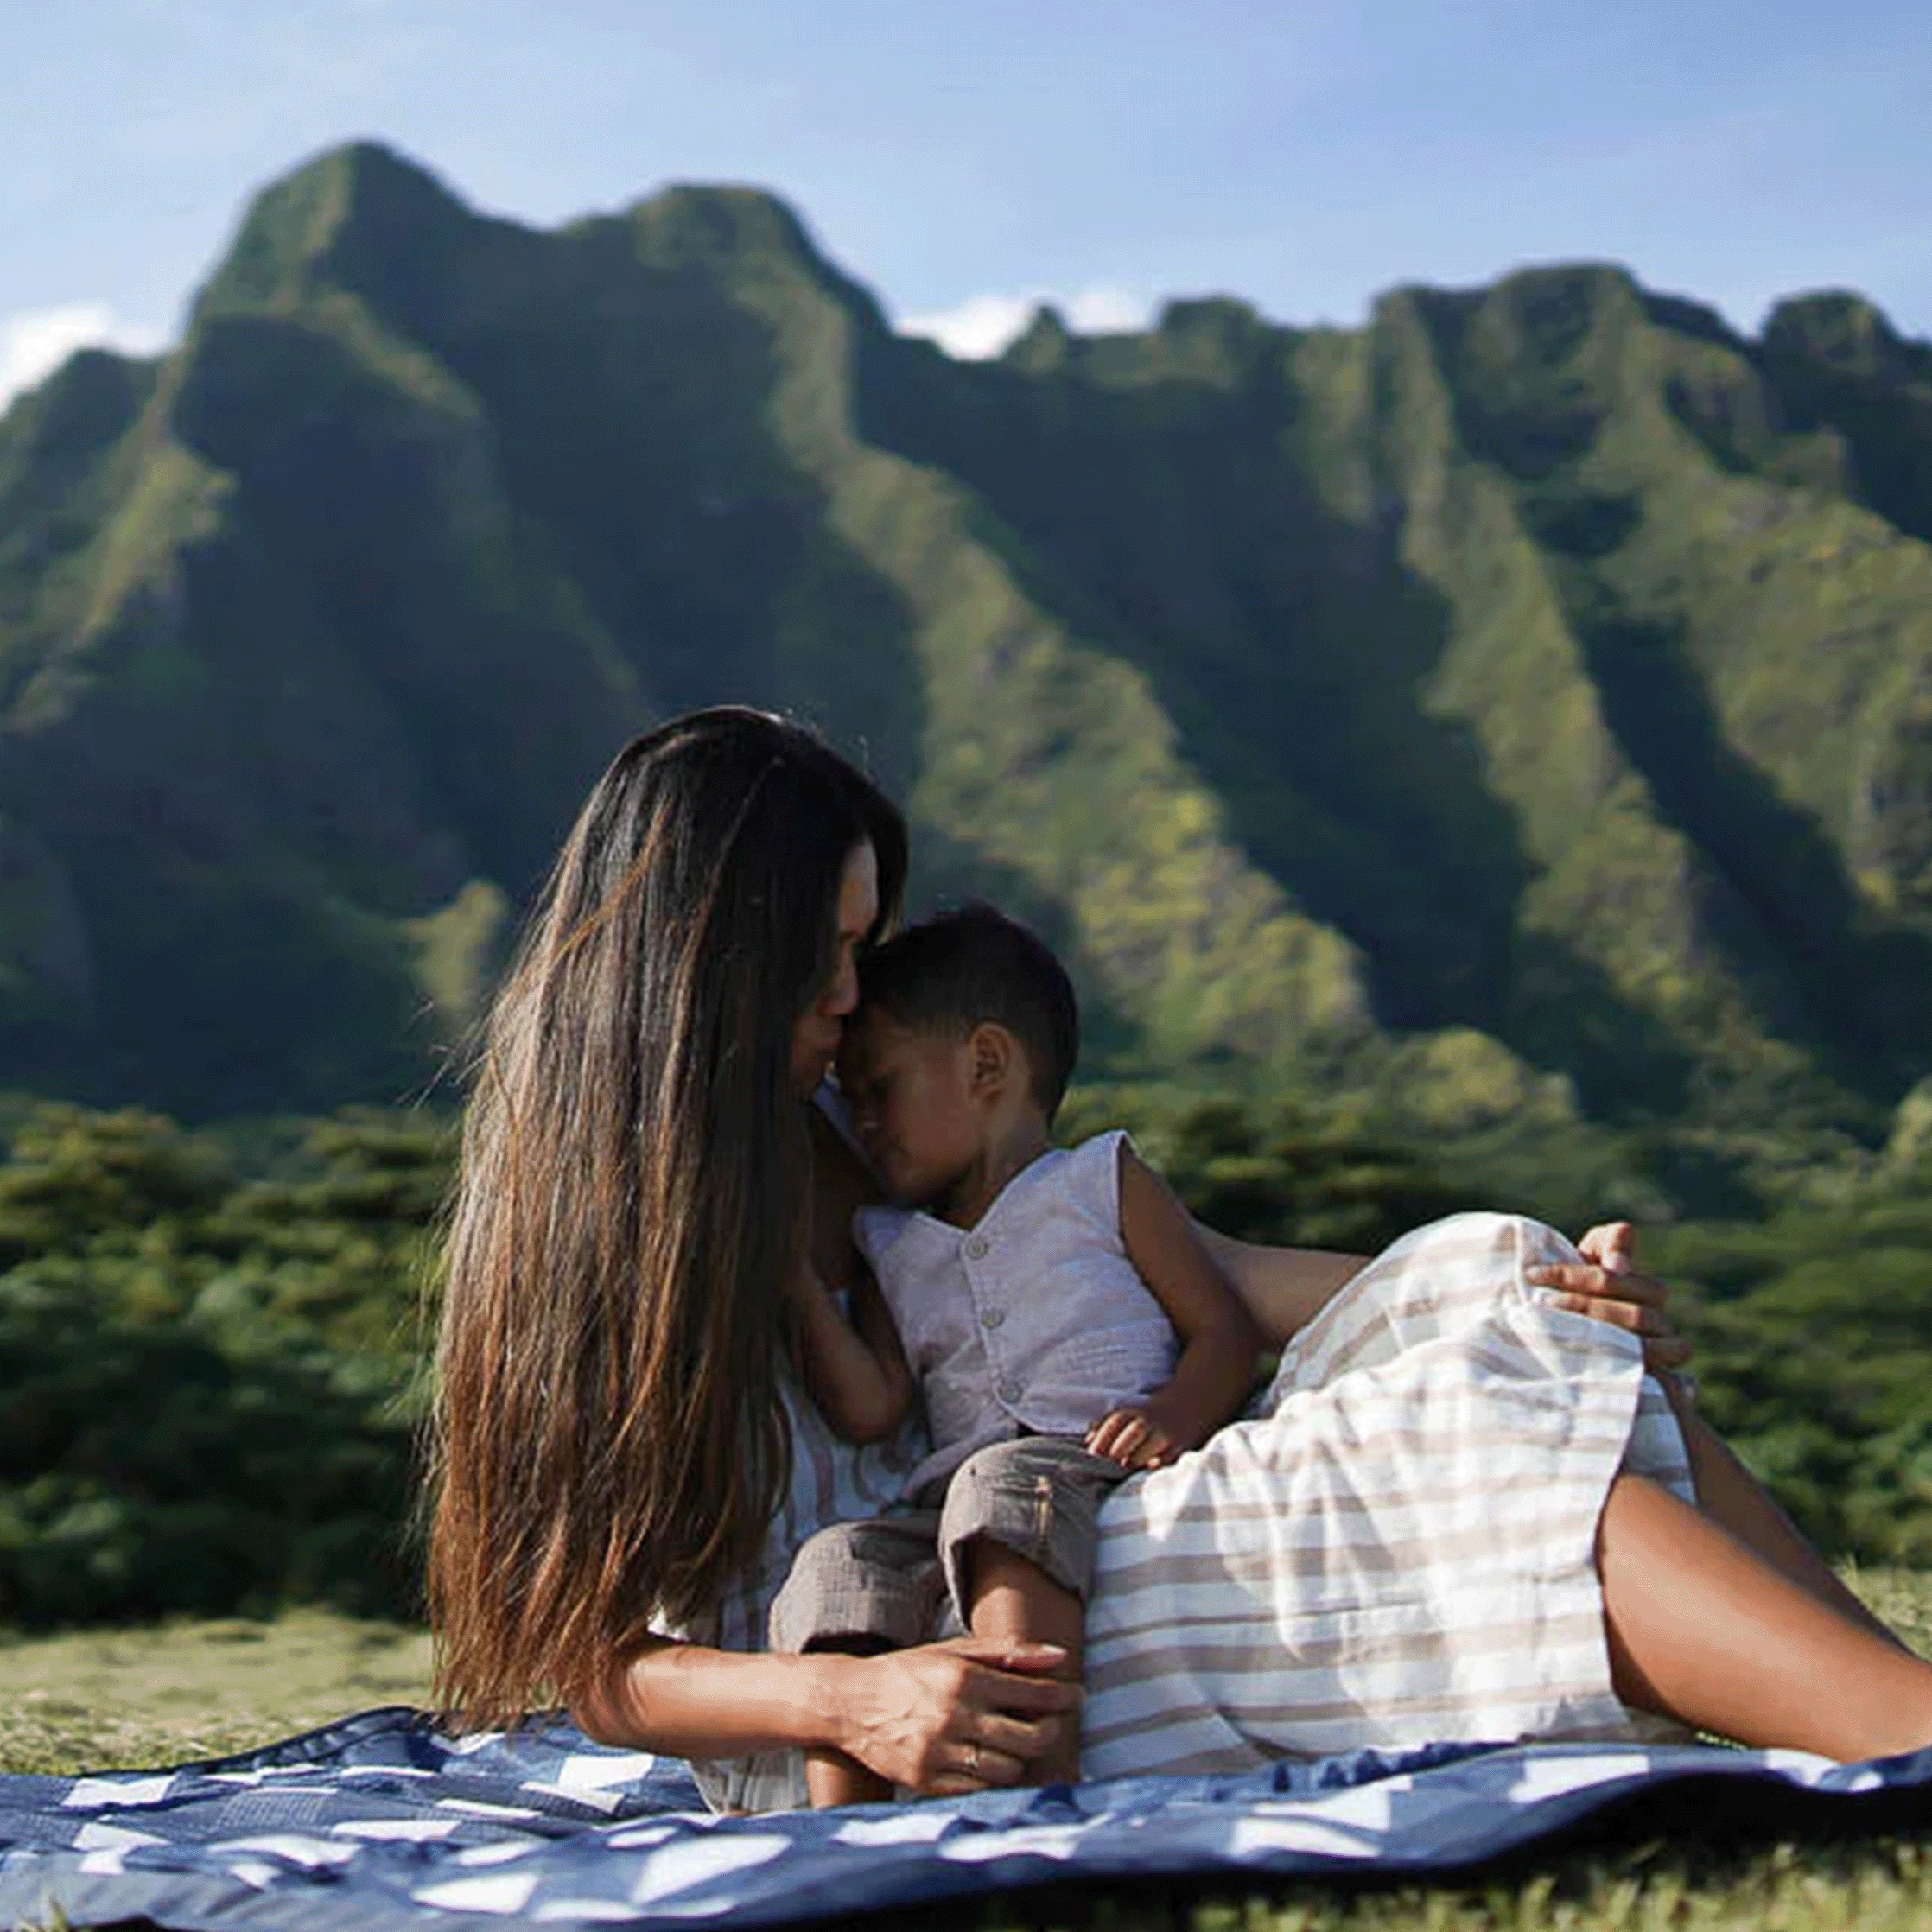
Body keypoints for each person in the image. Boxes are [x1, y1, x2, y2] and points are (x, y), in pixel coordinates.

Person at [427, 706, 1932, 1815]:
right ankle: (1898, 1736)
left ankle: (1892, 1733)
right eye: (820, 956)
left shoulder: (844, 1127)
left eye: (858, 951)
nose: (846, 997)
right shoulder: (586, 1229)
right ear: (708, 957)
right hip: (898, 1669)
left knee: (1497, 1289)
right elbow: (596, 1670)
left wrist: (1543, 1300)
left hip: (1060, 1520)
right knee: (1433, 1459)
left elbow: (1199, 1273)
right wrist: (860, 1697)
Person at [769, 905, 1264, 1802]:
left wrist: (1170, 1418)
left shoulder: (1100, 1183)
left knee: (1004, 1483)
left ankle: (1031, 1785)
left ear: (986, 1064)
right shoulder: (891, 1242)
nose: (865, 1125)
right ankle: (836, 1833)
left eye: (879, 1090)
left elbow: (1223, 1329)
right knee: (839, 1557)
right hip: (950, 1496)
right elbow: (874, 1405)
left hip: (1091, 1458)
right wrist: (797, 1280)